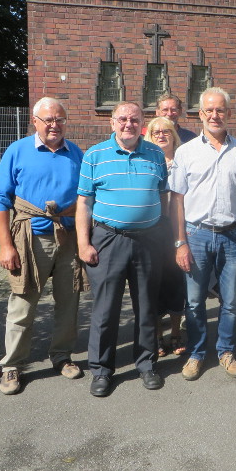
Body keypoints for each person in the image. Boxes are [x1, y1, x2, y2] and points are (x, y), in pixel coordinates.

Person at [0, 97, 85, 395]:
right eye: (48, 120)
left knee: (69, 302)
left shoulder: (76, 153)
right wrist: (6, 246)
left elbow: (86, 197)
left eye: (60, 119)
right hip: (30, 238)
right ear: (35, 121)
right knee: (23, 303)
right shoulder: (17, 150)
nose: (55, 125)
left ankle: (62, 355)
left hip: (68, 238)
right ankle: (12, 365)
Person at [170, 87, 236, 381]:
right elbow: (177, 200)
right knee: (194, 301)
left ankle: (226, 351)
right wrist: (180, 242)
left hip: (233, 236)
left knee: (231, 301)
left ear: (229, 113)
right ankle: (196, 353)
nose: (214, 115)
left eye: (220, 110)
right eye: (209, 110)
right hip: (196, 236)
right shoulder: (186, 152)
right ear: (200, 114)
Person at [76, 101, 168, 396]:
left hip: (148, 240)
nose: (128, 124)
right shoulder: (95, 155)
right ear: (112, 122)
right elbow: (84, 203)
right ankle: (101, 370)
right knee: (105, 309)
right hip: (108, 239)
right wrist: (83, 243)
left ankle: (146, 364)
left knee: (147, 306)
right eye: (123, 119)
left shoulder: (156, 154)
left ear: (143, 123)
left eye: (134, 119)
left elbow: (163, 197)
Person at [143, 116, 187, 357]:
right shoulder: (146, 161)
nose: (161, 135)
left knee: (176, 283)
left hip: (179, 230)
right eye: (156, 132)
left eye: (166, 131)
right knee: (154, 284)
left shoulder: (183, 159)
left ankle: (176, 332)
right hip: (152, 232)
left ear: (174, 135)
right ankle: (158, 335)